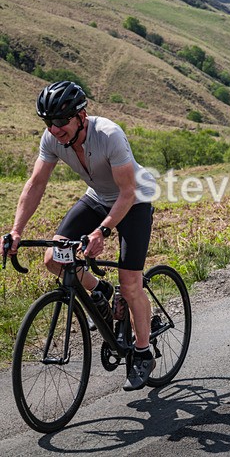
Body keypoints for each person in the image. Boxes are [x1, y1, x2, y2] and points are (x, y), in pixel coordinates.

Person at [7, 81, 157, 391]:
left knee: (130, 282)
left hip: (134, 199)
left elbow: (127, 192)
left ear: (81, 117)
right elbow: (36, 184)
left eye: (61, 120)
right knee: (53, 258)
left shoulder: (109, 135)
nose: (55, 129)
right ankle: (100, 290)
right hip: (97, 197)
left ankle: (143, 352)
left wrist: (103, 230)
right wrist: (16, 230)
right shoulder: (52, 139)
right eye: (48, 122)